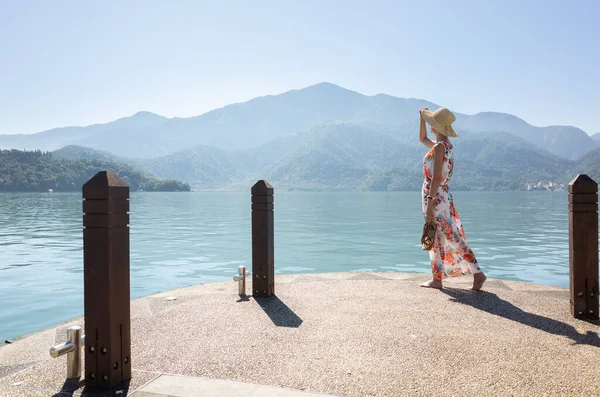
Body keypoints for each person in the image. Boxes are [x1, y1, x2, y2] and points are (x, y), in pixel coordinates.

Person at [418, 107, 487, 290]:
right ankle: (437, 279)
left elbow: (436, 177)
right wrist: (422, 119)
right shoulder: (445, 146)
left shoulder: (440, 148)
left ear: (437, 127)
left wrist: (431, 200)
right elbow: (422, 139)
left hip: (436, 196)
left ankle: (477, 273)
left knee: (449, 235)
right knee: (437, 237)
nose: (431, 127)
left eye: (432, 124)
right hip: (441, 195)